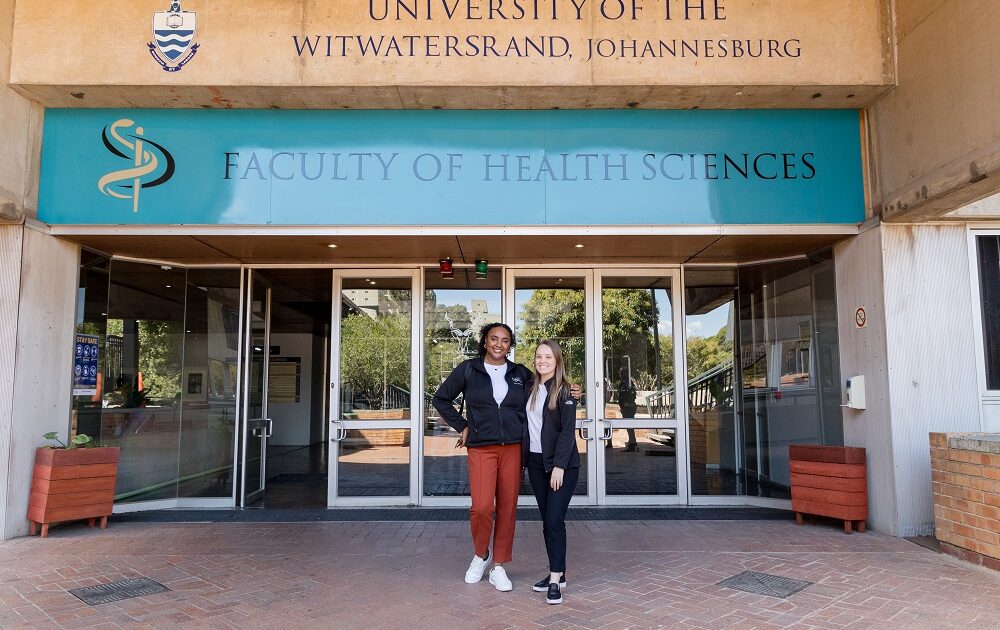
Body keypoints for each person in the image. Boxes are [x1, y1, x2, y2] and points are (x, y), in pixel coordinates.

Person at [432, 322, 531, 592]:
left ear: (511, 345)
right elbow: (440, 399)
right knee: (482, 507)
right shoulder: (469, 369)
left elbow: (545, 392)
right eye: (494, 339)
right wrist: (463, 426)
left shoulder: (520, 373)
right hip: (481, 447)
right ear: (485, 342)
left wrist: (571, 391)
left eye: (505, 340)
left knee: (508, 507)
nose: (499, 344)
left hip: (513, 447)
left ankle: (499, 565)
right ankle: (481, 554)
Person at [525, 340, 580, 606]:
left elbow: (567, 433)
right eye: (538, 356)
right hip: (536, 464)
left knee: (555, 520)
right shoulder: (531, 387)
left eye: (548, 356)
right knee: (548, 521)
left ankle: (555, 581)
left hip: (561, 467)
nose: (542, 360)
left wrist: (559, 466)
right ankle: (558, 571)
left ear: (557, 360)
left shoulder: (565, 391)